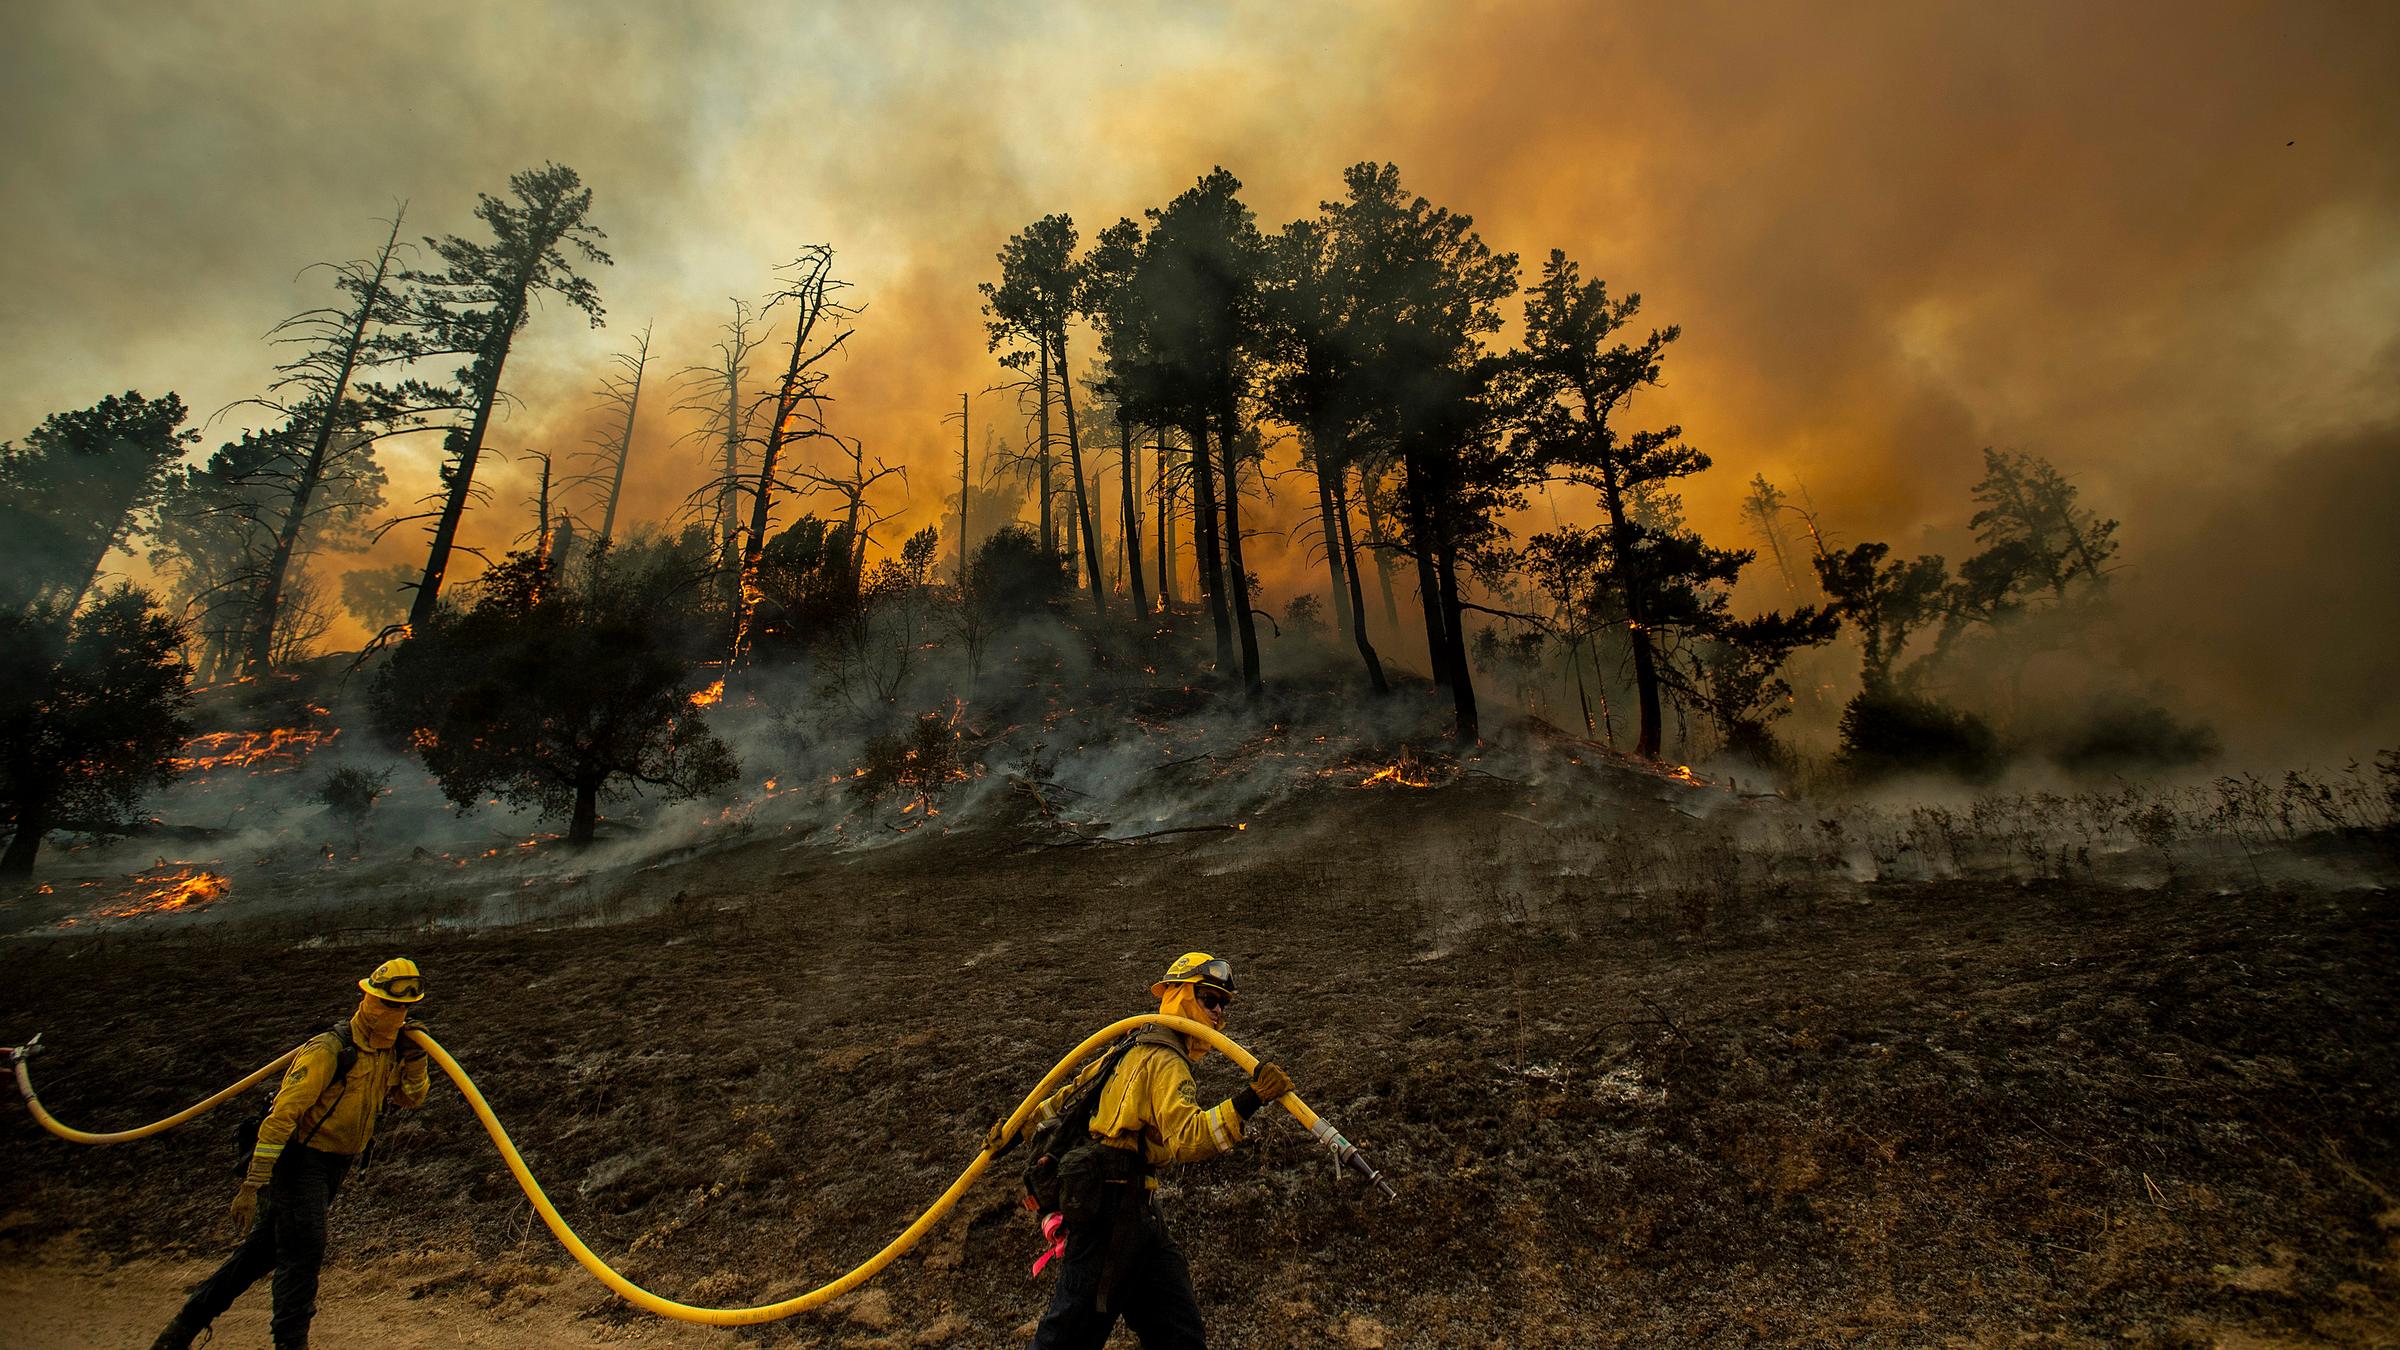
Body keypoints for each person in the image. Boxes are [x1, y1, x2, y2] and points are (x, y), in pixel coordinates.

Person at [148, 958, 434, 1350]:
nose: (395, 1014)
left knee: (260, 1253)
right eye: (386, 1004)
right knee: (303, 1253)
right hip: (300, 1162)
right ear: (366, 998)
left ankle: (181, 1329)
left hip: (336, 1165)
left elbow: (410, 1098)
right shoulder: (329, 1051)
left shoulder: (389, 1051)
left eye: (403, 1007)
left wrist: (416, 1061)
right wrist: (253, 1183)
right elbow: (281, 1118)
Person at [1023, 951, 1294, 1350]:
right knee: (1068, 1337)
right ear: (1181, 996)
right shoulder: (1165, 1061)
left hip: (1139, 1215)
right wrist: (1250, 1100)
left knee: (1178, 1335)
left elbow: (1067, 1098)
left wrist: (1020, 1128)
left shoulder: (1131, 1045)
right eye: (1209, 999)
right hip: (1109, 1216)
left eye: (1223, 1004)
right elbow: (1187, 1137)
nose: (1219, 1012)